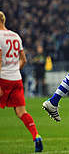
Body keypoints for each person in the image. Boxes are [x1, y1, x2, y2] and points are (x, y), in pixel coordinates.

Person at [0, 11, 43, 152]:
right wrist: (14, 70)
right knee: (21, 112)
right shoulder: (15, 36)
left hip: (3, 78)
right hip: (16, 78)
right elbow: (24, 59)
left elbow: (0, 60)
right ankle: (36, 135)